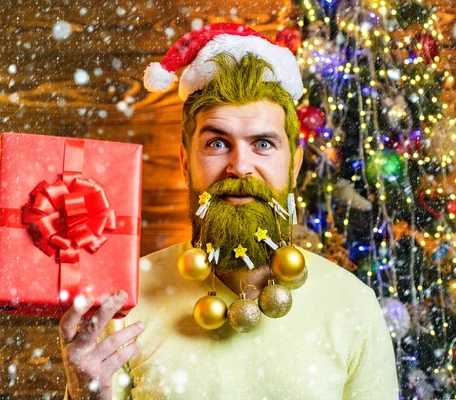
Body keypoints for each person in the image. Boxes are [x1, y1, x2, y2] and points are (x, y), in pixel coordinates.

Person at [59, 23, 399, 400]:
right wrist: (86, 395)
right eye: (217, 143)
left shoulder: (352, 304)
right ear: (186, 162)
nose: (240, 166)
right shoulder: (124, 301)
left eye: (264, 144)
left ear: (295, 164)